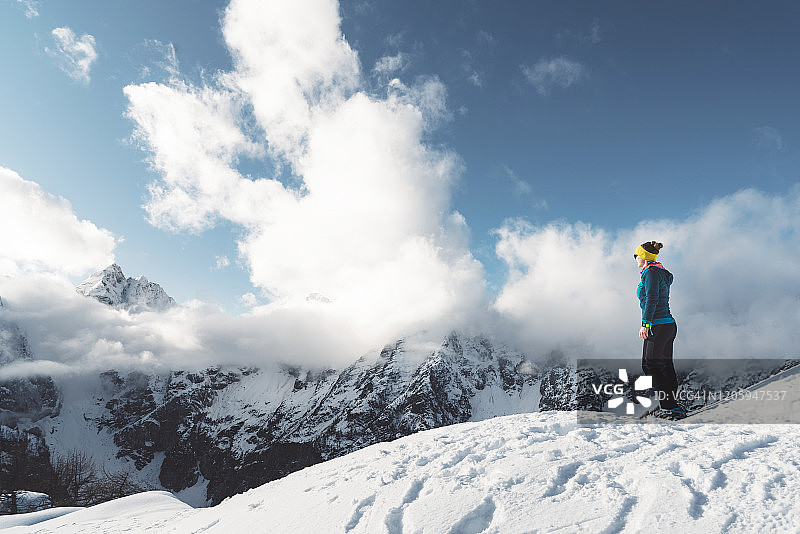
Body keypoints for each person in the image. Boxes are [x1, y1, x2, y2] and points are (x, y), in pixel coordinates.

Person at [634, 241, 685, 420]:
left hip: (657, 325)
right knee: (664, 365)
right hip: (667, 325)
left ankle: (669, 407)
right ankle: (672, 407)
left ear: (645, 257)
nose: (635, 258)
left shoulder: (651, 273)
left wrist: (645, 324)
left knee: (650, 366)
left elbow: (652, 299)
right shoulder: (660, 272)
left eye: (637, 255)